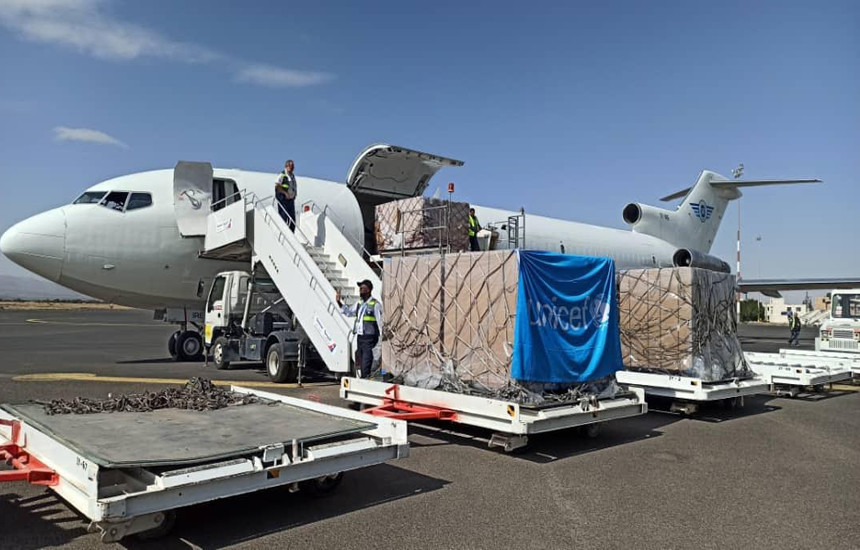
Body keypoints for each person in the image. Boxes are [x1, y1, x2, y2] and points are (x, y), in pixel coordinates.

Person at [336, 279, 382, 378]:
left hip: (369, 338)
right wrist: (339, 302)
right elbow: (348, 312)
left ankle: (365, 382)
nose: (360, 290)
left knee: (366, 364)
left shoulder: (375, 304)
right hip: (360, 338)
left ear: (368, 290)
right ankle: (365, 379)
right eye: (360, 288)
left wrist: (381, 340)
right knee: (361, 364)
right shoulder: (359, 304)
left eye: (362, 288)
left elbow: (380, 323)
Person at [275, 159, 297, 232]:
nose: (292, 168)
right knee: (284, 217)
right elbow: (277, 186)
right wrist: (285, 193)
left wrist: (294, 195)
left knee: (292, 220)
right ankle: (283, 233)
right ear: (286, 166)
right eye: (291, 166)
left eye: (293, 166)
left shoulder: (292, 176)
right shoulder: (282, 175)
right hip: (283, 200)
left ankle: (291, 234)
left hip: (291, 200)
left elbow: (293, 186)